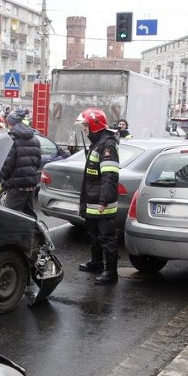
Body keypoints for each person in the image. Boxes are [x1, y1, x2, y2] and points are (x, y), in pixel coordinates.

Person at [76, 107, 120, 285]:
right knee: (93, 233)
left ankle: (110, 273)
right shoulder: (97, 142)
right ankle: (96, 263)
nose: (83, 128)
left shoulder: (107, 145)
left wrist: (104, 200)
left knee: (106, 238)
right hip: (93, 200)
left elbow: (109, 176)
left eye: (85, 125)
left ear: (94, 125)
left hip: (102, 202)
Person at [0, 108, 41, 218]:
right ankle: (33, 234)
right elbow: (38, 162)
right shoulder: (35, 139)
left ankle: (12, 236)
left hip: (16, 186)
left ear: (11, 123)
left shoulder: (12, 139)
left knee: (9, 217)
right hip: (30, 184)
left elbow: (7, 165)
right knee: (29, 215)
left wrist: (4, 180)